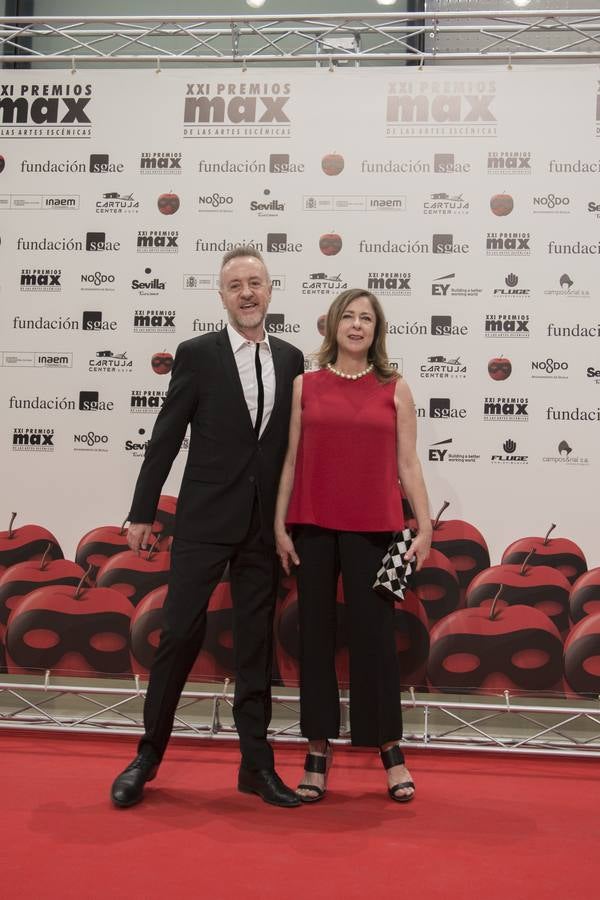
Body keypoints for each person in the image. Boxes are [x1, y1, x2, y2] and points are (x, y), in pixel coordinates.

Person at [111, 246, 304, 809]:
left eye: (256, 282)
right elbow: (165, 436)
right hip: (201, 521)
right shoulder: (196, 354)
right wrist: (143, 511)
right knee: (177, 637)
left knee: (254, 647)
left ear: (270, 291)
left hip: (263, 526)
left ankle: (256, 765)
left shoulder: (293, 359)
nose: (247, 292)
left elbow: (293, 449)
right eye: (236, 285)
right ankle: (147, 757)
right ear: (221, 297)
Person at [274, 288, 431, 803]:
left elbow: (408, 465)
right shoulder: (305, 385)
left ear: (376, 329)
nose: (357, 325)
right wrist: (280, 523)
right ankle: (318, 748)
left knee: (375, 641)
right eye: (349, 316)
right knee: (314, 637)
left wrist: (424, 526)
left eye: (367, 318)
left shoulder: (395, 387)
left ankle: (388, 747)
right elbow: (292, 460)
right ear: (334, 325)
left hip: (374, 528)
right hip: (313, 526)